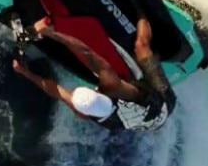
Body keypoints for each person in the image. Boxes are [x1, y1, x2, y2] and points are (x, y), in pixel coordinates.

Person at [12, 16, 176, 131]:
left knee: (131, 61)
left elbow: (56, 91)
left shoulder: (85, 112)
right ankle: (141, 11)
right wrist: (51, 32)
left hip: (144, 120)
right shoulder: (114, 86)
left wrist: (25, 72)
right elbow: (87, 53)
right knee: (141, 46)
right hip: (164, 102)